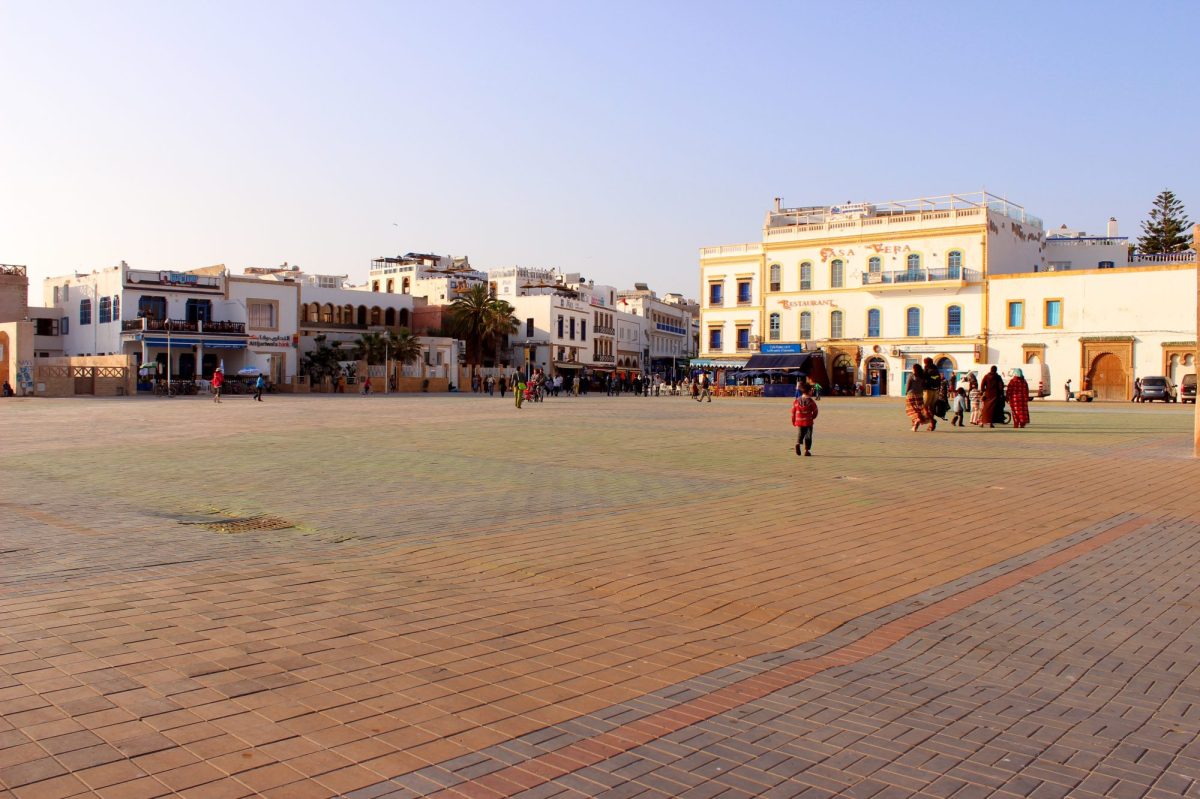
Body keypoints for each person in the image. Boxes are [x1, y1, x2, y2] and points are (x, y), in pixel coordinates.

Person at [791, 384, 819, 457]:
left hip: (799, 421)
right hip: (808, 421)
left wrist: (793, 420)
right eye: (811, 390)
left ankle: (798, 444)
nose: (812, 392)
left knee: (800, 434)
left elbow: (793, 412)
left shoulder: (797, 401)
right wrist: (812, 417)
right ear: (809, 391)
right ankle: (807, 451)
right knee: (808, 435)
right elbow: (815, 411)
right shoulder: (811, 401)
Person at [905, 364, 933, 431]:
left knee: (912, 409)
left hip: (911, 394)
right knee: (919, 409)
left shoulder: (910, 376)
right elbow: (923, 385)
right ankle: (915, 426)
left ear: (914, 369)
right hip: (919, 394)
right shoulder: (922, 376)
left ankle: (917, 419)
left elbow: (908, 385)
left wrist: (906, 392)